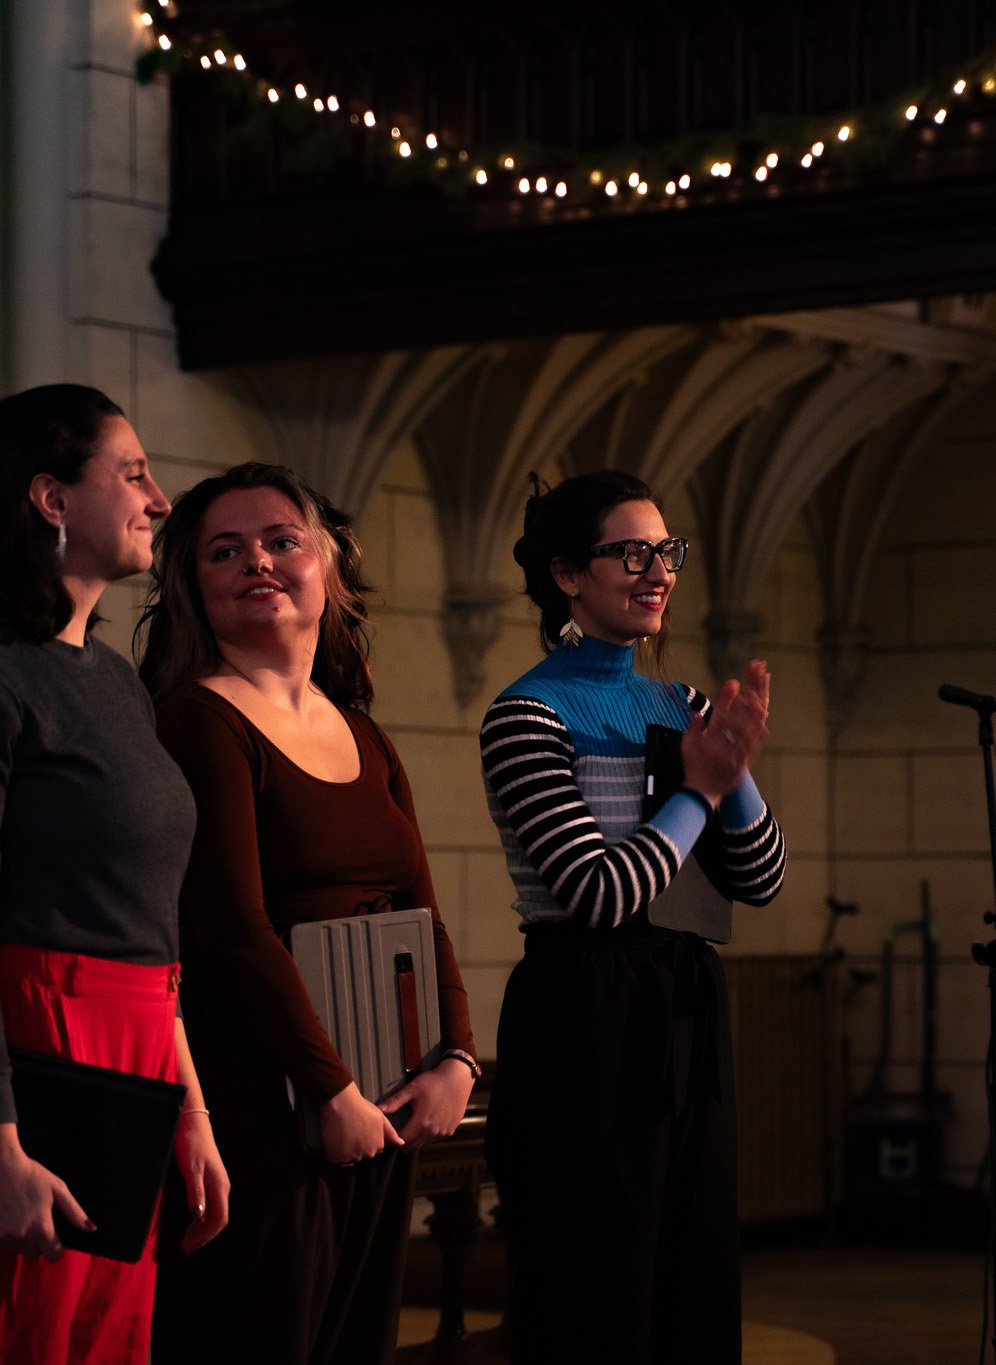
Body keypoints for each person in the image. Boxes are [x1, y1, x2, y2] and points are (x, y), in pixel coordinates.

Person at [0, 384, 229, 1365]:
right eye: (133, 474)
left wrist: (186, 1110)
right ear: (50, 499)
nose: (160, 500)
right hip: (20, 1057)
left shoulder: (114, 681)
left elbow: (151, 932)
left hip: (133, 1057)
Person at [139, 462, 477, 1365]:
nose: (258, 559)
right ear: (193, 586)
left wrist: (456, 1055)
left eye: (282, 539)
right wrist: (329, 1087)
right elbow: (232, 927)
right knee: (265, 1335)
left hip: (386, 1087)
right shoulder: (199, 720)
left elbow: (422, 909)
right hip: (266, 1087)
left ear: (324, 569)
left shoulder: (361, 730)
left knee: (355, 1340)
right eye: (225, 549)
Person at [479, 469, 786, 1365]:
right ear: (570, 573)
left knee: (690, 1276)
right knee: (596, 1285)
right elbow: (601, 893)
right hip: (586, 1005)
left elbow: (762, 877)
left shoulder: (679, 704)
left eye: (668, 551)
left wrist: (734, 773)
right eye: (633, 552)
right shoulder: (526, 714)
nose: (659, 571)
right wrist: (699, 787)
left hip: (685, 999)